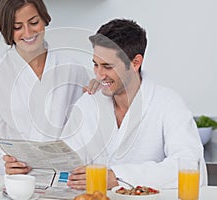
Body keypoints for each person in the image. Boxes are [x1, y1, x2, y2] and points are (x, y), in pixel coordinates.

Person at [0, 0, 97, 183]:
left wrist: (100, 93)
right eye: (18, 27)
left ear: (44, 19)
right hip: (8, 176)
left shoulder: (71, 69)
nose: (28, 32)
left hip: (59, 179)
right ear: (7, 31)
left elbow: (89, 126)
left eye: (34, 23)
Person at [62, 19, 207, 189]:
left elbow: (189, 166)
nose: (99, 75)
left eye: (107, 67)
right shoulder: (89, 102)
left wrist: (117, 177)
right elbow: (65, 161)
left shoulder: (168, 104)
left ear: (135, 63)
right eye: (95, 64)